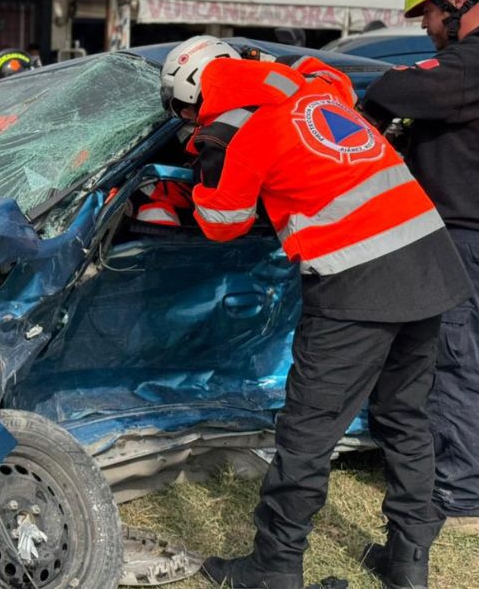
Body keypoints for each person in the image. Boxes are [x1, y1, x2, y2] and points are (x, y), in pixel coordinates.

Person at [158, 36, 471, 589]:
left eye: (184, 111)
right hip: (429, 263)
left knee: (308, 430)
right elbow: (334, 84)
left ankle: (274, 566)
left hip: (359, 282)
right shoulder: (318, 93)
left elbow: (223, 222)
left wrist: (201, 167)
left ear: (193, 97)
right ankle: (407, 563)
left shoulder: (246, 134)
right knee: (405, 418)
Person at [360, 0, 479, 536]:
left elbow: (397, 88)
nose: (427, 27)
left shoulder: (470, 63)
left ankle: (457, 500)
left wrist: (371, 105)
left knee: (453, 363)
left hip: (463, 241)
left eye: (428, 13)